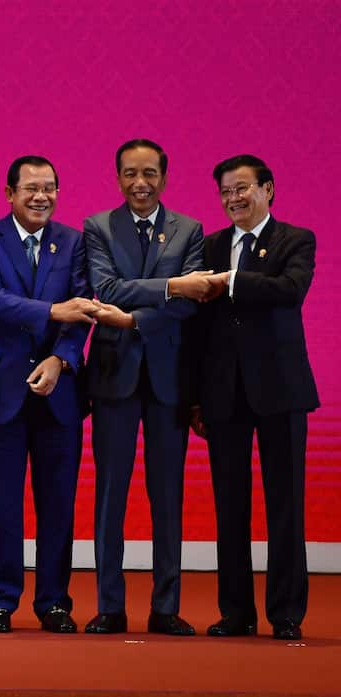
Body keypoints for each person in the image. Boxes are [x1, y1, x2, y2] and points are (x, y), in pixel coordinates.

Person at [189, 155, 317, 641]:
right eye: (225, 192)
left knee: (285, 504)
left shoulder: (295, 239)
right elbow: (200, 329)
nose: (233, 199)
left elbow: (290, 289)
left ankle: (286, 613)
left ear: (268, 189)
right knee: (230, 506)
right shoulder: (211, 245)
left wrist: (231, 282)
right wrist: (196, 399)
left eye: (241, 188)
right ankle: (235, 612)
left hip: (281, 391)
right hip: (225, 395)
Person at [81, 139, 205, 636]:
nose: (140, 183)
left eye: (149, 173)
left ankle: (165, 607)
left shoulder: (189, 230)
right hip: (113, 376)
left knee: (167, 494)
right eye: (130, 173)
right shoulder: (97, 228)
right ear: (117, 178)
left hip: (169, 378)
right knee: (110, 493)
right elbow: (106, 288)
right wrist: (174, 285)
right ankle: (110, 605)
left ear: (164, 177)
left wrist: (133, 318)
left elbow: (192, 305)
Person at [0, 156, 94, 634]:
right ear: (10, 193)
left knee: (59, 502)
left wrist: (61, 360)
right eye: (31, 188)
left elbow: (85, 309)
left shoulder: (73, 242)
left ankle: (54, 601)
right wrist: (55, 310)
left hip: (58, 390)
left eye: (50, 188)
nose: (42, 197)